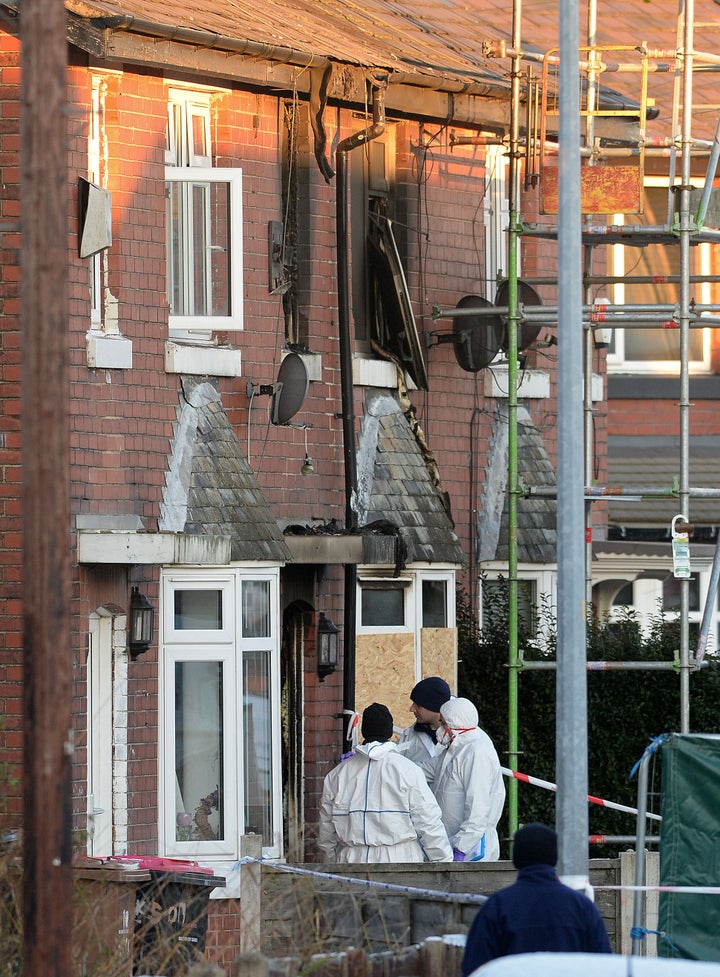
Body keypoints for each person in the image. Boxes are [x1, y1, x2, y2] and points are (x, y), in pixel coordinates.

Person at [460, 822, 612, 975]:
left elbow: (475, 968)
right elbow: (603, 966)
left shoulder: (497, 906)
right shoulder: (582, 906)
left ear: (516, 858)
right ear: (554, 857)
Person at [317, 702, 453, 863]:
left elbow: (326, 832)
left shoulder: (337, 775)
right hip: (400, 861)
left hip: (352, 863)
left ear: (364, 731)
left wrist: (330, 865)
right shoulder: (408, 770)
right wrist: (443, 863)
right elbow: (428, 822)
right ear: (389, 731)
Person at [431, 696, 505, 862]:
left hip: (472, 849)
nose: (440, 728)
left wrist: (461, 848)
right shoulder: (455, 748)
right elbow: (427, 769)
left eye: (443, 723)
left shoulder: (476, 752)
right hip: (451, 842)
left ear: (454, 724)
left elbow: (478, 809)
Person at [396, 676, 452, 769]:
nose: (411, 709)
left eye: (418, 705)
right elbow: (397, 753)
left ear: (434, 707)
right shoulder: (409, 736)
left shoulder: (460, 736)